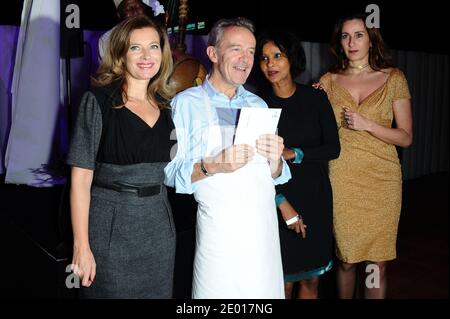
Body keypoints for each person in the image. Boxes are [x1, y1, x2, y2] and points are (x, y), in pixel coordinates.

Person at [164, 17, 291, 299]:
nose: (246, 59)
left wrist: (276, 159)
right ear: (213, 54)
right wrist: (214, 165)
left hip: (262, 229)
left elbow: (275, 174)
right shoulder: (185, 104)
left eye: (250, 51)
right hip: (217, 231)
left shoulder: (259, 105)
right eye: (236, 49)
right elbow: (170, 173)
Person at [67, 15, 176, 298]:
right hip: (111, 229)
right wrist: (81, 247)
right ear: (120, 54)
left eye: (153, 46)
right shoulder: (98, 101)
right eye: (135, 48)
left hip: (158, 229)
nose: (146, 55)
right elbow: (80, 180)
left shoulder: (167, 108)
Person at [316, 13, 413, 299]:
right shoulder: (328, 81)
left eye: (359, 34)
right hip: (343, 177)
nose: (352, 41)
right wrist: (312, 103)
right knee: (346, 259)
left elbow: (406, 137)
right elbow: (318, 132)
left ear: (371, 39)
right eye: (346, 36)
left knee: (377, 262)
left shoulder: (393, 78)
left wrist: (368, 125)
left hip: (382, 179)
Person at [256, 31, 340, 299]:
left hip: (315, 196)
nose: (271, 64)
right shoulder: (258, 106)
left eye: (278, 56)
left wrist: (295, 153)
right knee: (281, 283)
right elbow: (254, 168)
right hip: (277, 200)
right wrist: (279, 200)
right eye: (264, 58)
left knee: (311, 281)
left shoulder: (315, 98)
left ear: (292, 59)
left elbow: (333, 149)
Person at [98, 0, 165, 60]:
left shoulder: (156, 32)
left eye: (138, 7)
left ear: (144, 9)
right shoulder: (109, 38)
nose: (135, 11)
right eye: (128, 9)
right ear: (119, 14)